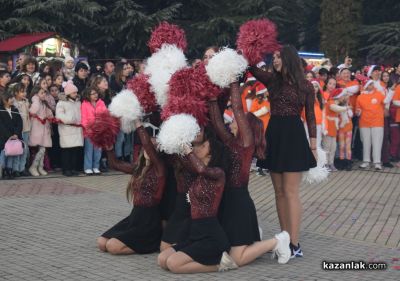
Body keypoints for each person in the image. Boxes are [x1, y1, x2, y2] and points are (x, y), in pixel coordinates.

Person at [209, 81, 290, 267]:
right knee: (225, 251)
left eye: (239, 120)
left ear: (246, 126)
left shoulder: (246, 145)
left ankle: (278, 241)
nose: (233, 122)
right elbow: (217, 123)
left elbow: (237, 108)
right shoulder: (231, 142)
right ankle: (256, 240)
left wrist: (233, 83)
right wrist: (212, 96)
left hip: (238, 204)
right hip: (227, 201)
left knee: (236, 259)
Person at [249, 45, 317, 258]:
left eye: (278, 57)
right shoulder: (272, 81)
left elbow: (312, 117)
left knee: (290, 192)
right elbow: (252, 67)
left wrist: (314, 146)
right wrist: (254, 43)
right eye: (274, 57)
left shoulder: (305, 86)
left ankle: (295, 244)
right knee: (279, 192)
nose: (274, 60)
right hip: (275, 135)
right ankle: (284, 238)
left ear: (288, 59)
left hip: (294, 136)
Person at [158, 127, 233, 273]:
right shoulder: (195, 172)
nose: (197, 148)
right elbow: (192, 165)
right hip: (194, 234)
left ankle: (222, 264)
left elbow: (202, 170)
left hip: (211, 236)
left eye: (203, 146)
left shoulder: (218, 173)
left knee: (174, 265)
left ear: (212, 153)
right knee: (162, 259)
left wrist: (188, 151)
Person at [98, 120, 166, 254]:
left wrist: (137, 124)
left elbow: (147, 144)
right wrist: (109, 148)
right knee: (101, 242)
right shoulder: (139, 168)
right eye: (148, 145)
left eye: (153, 147)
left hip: (149, 220)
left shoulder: (160, 169)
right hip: (135, 216)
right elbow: (114, 164)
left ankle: (153, 244)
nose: (149, 149)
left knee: (113, 246)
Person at [356, 80, 386, 170]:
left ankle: (377, 162)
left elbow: (386, 102)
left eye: (372, 84)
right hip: (364, 122)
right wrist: (358, 112)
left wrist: (391, 91)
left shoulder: (379, 94)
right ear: (365, 86)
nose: (372, 86)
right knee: (366, 142)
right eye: (369, 84)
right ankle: (366, 161)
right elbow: (357, 109)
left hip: (377, 122)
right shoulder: (360, 97)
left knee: (377, 142)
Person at [56, 81, 83, 177]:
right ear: (68, 93)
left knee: (75, 150)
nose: (76, 94)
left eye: (76, 92)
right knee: (67, 150)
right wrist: (70, 120)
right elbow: (59, 115)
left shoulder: (78, 102)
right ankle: (66, 169)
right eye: (74, 93)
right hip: (67, 129)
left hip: (76, 129)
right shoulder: (61, 103)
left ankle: (73, 168)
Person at [81, 87, 108, 175]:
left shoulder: (101, 103)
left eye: (96, 93)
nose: (95, 95)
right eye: (93, 94)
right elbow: (84, 118)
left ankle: (96, 166)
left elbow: (105, 115)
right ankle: (88, 167)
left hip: (99, 130)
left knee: (98, 150)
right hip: (89, 131)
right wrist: (88, 129)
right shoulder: (84, 104)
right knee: (89, 150)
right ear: (88, 95)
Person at [28, 87, 53, 176]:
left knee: (43, 148)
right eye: (41, 93)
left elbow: (50, 115)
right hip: (36, 127)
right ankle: (33, 167)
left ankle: (40, 167)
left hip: (44, 128)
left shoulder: (44, 103)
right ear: (36, 94)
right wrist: (36, 99)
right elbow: (33, 111)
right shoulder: (35, 102)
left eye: (44, 93)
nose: (44, 95)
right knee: (40, 148)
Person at [0, 91, 23, 179]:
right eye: (10, 98)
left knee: (12, 153)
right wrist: (9, 135)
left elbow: (20, 123)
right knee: (4, 153)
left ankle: (9, 169)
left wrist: (16, 134)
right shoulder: (1, 110)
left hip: (15, 136)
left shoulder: (15, 109)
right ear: (4, 100)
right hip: (4, 137)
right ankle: (3, 169)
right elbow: (1, 125)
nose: (12, 100)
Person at [12, 83, 31, 176]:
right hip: (18, 130)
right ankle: (15, 169)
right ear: (16, 93)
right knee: (17, 149)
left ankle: (22, 168)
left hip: (26, 128)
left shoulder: (26, 102)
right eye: (22, 92)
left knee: (25, 149)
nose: (24, 94)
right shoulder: (14, 103)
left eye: (25, 91)